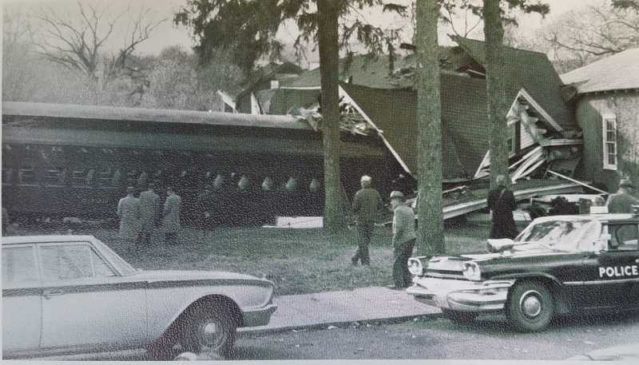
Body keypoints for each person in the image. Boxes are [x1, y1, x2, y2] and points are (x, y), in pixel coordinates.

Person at [351, 175, 383, 266]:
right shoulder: (375, 193)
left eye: (362, 182)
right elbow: (380, 205)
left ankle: (364, 262)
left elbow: (354, 208)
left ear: (362, 183)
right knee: (366, 241)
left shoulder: (359, 193)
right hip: (371, 220)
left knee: (362, 242)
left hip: (361, 221)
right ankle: (357, 258)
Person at [389, 191, 416, 289]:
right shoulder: (409, 209)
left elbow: (399, 227)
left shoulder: (398, 210)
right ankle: (407, 282)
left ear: (397, 200)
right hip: (411, 237)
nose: (391, 203)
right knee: (406, 261)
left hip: (402, 239)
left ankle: (398, 284)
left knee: (397, 262)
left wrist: (395, 240)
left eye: (392, 200)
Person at [487, 174, 518, 239]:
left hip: (496, 217)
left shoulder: (491, 193)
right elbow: (514, 207)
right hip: (507, 217)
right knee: (510, 236)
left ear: (497, 182)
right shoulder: (509, 193)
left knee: (496, 236)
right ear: (504, 182)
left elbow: (489, 205)